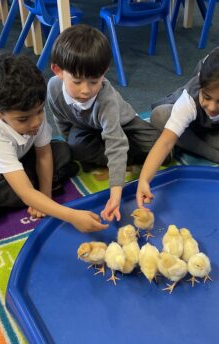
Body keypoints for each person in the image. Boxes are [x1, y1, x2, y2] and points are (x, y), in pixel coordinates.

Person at [0, 54, 108, 233]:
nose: (35, 123)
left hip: (22, 156)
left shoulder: (32, 107)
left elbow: (44, 153)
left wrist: (45, 195)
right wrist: (71, 216)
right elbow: (24, 191)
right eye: (23, 119)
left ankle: (33, 195)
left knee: (63, 151)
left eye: (40, 111)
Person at [47, 24, 161, 222]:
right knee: (76, 147)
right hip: (87, 129)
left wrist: (115, 193)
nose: (86, 90)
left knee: (162, 149)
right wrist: (71, 143)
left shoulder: (105, 99)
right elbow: (62, 120)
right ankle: (122, 155)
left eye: (94, 81)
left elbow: (115, 143)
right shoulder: (53, 88)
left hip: (124, 124)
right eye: (77, 81)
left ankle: (123, 155)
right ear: (58, 71)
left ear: (104, 71)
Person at [136, 49, 219, 206]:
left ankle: (209, 148)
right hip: (195, 128)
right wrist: (144, 180)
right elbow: (166, 142)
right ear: (200, 82)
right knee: (159, 115)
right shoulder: (189, 99)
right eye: (206, 97)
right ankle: (218, 156)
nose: (212, 107)